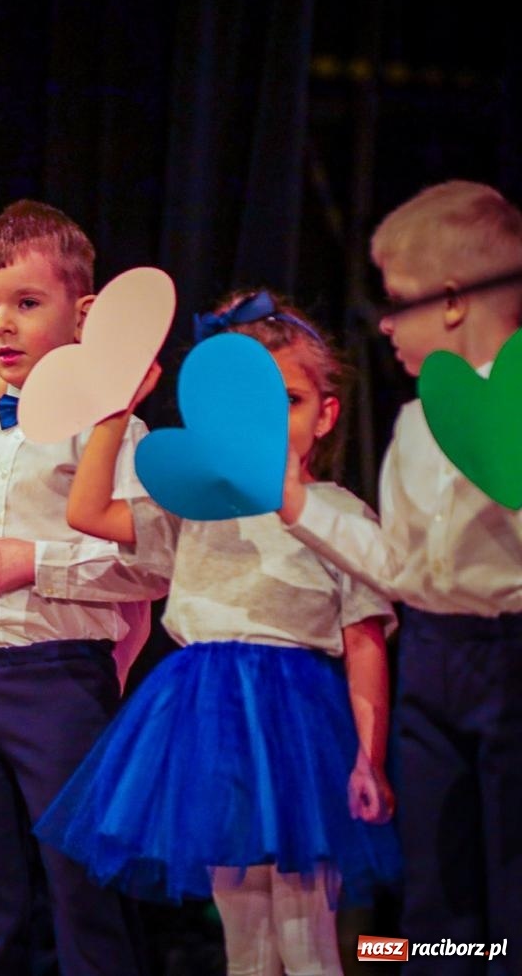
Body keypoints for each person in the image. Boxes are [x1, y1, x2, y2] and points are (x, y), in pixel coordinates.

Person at [42, 289, 401, 975]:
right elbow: (87, 512)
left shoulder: (338, 517)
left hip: (296, 726)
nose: (267, 417)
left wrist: (368, 758)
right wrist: (114, 415)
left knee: (306, 938)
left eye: (289, 400)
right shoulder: (195, 505)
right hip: (207, 717)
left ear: (326, 416)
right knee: (245, 942)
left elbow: (365, 642)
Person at [280, 180, 522, 974]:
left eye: (397, 299)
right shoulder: (415, 423)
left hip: (511, 659)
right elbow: (400, 566)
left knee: (510, 875)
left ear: (452, 301)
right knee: (435, 883)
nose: (383, 322)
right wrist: (296, 503)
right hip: (432, 659)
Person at [0, 200, 165, 975]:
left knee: (84, 894)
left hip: (57, 680)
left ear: (84, 314)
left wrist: (34, 562)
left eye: (27, 303)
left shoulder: (113, 430)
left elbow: (151, 564)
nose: (2, 325)